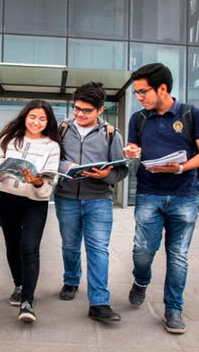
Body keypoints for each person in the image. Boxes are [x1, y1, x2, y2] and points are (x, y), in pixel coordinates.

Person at [123, 63, 199, 334]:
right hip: (149, 192)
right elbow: (134, 148)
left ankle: (173, 308)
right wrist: (130, 151)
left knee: (178, 255)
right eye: (137, 93)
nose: (139, 97)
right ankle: (141, 280)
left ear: (162, 88)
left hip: (184, 195)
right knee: (142, 251)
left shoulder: (192, 115)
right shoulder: (138, 118)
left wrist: (181, 167)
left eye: (143, 92)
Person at [54, 82, 129, 322]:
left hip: (98, 200)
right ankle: (71, 280)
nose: (80, 114)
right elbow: (50, 159)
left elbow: (122, 170)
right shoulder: (62, 129)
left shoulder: (111, 134)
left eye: (86, 110)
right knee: (70, 245)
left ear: (100, 110)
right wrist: (67, 167)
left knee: (98, 249)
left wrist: (106, 175)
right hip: (66, 198)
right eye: (77, 108)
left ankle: (99, 302)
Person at [0, 100, 62, 323]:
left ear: (48, 122)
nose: (37, 122)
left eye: (42, 119)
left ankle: (27, 301)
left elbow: (49, 182)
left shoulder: (52, 146)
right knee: (12, 246)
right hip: (7, 199)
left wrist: (36, 181)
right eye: (33, 117)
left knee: (29, 248)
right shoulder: (8, 140)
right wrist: (1, 171)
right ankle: (19, 284)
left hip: (35, 202)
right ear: (25, 116)